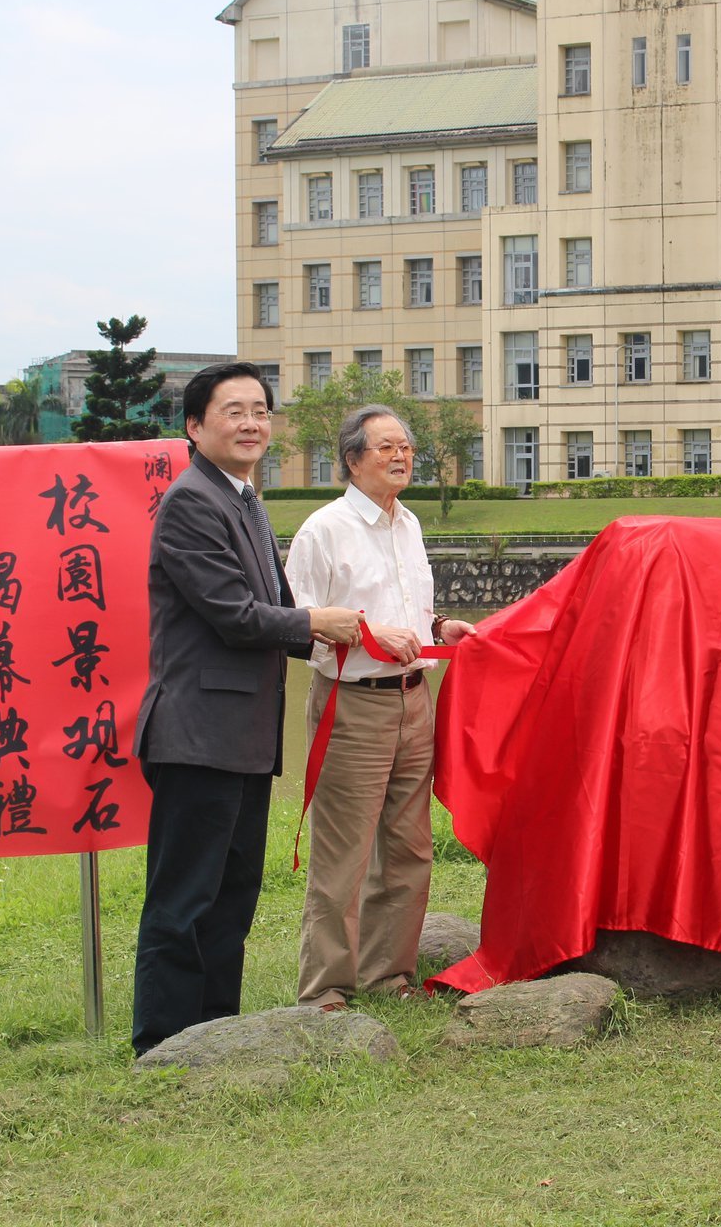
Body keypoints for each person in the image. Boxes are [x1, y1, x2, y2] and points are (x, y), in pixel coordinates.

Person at [131, 362, 360, 1057]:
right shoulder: (192, 502)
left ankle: (214, 1033)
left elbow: (275, 608)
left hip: (244, 734)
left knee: (233, 894)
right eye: (234, 411)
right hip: (196, 734)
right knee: (184, 900)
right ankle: (164, 1045)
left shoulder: (244, 498)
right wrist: (316, 622)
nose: (253, 422)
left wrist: (344, 628)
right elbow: (234, 616)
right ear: (195, 427)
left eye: (261, 409)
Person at [285, 405, 476, 1011]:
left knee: (409, 846)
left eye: (408, 448)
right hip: (354, 706)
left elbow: (411, 611)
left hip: (414, 699)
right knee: (344, 852)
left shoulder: (408, 523)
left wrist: (442, 625)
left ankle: (388, 974)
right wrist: (366, 634)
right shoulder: (324, 530)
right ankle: (325, 990)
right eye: (387, 447)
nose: (401, 457)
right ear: (352, 459)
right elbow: (299, 626)